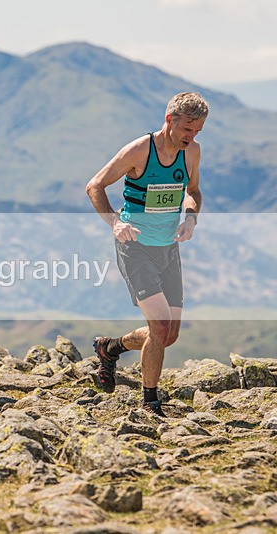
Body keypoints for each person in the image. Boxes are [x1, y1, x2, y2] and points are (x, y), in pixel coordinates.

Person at [86, 92, 208, 416]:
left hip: (168, 247)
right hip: (135, 247)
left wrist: (191, 218)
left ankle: (110, 348)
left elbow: (192, 192)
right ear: (169, 120)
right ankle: (150, 402)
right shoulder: (140, 150)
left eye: (197, 131)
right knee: (160, 326)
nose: (191, 137)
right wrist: (114, 223)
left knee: (169, 334)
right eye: (187, 129)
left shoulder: (191, 152)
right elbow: (95, 186)